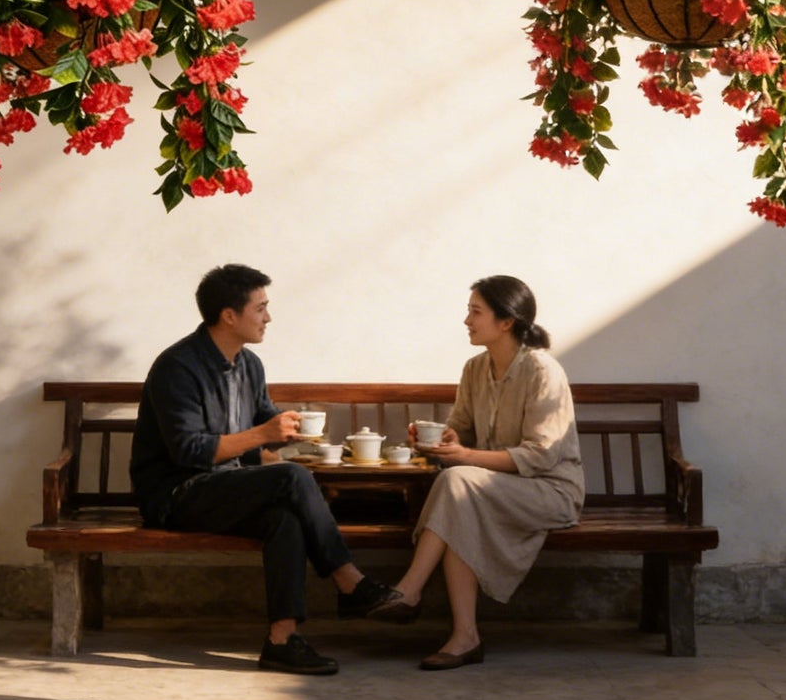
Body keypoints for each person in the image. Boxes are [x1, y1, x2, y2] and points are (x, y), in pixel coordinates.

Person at [129, 263, 405, 675]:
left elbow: (263, 422)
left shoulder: (249, 365)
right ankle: (349, 581)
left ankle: (282, 640)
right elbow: (189, 450)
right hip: (176, 493)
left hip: (226, 486)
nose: (268, 318)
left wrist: (291, 430)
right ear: (229, 315)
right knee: (294, 477)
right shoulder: (178, 367)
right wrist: (263, 434)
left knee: (284, 520)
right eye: (260, 308)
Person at [373, 275, 585, 670]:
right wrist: (441, 439)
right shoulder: (475, 368)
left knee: (456, 483)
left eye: (475, 311)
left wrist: (464, 455)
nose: (466, 320)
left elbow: (539, 458)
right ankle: (464, 636)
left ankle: (410, 590)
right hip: (489, 488)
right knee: (459, 498)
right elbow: (462, 429)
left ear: (506, 322)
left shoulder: (542, 371)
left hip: (549, 492)